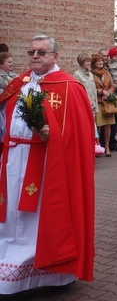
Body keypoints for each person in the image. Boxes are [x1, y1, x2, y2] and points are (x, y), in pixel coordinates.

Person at [0, 34, 95, 295]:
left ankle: (49, 274)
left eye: (41, 52)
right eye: (31, 52)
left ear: (55, 56)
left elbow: (81, 133)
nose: (35, 57)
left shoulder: (69, 87)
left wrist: (51, 134)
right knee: (10, 214)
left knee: (38, 217)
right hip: (12, 160)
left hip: (46, 166)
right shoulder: (18, 84)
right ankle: (9, 270)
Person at [91, 53, 116, 156]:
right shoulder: (91, 74)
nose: (100, 62)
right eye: (98, 61)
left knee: (107, 126)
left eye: (101, 61)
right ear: (94, 63)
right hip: (98, 102)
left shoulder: (106, 73)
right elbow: (91, 88)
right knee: (97, 126)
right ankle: (97, 146)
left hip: (107, 102)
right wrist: (101, 91)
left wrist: (109, 92)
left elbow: (112, 85)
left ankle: (106, 146)